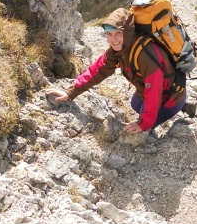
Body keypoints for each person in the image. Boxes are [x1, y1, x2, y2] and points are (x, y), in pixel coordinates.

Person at [46, 7, 187, 134]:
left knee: (145, 131)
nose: (113, 39)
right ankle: (175, 108)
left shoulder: (147, 55)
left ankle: (182, 105)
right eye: (109, 34)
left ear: (128, 31)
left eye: (118, 33)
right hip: (155, 90)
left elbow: (154, 91)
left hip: (170, 98)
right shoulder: (120, 48)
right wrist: (71, 92)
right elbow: (99, 69)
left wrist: (143, 124)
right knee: (136, 104)